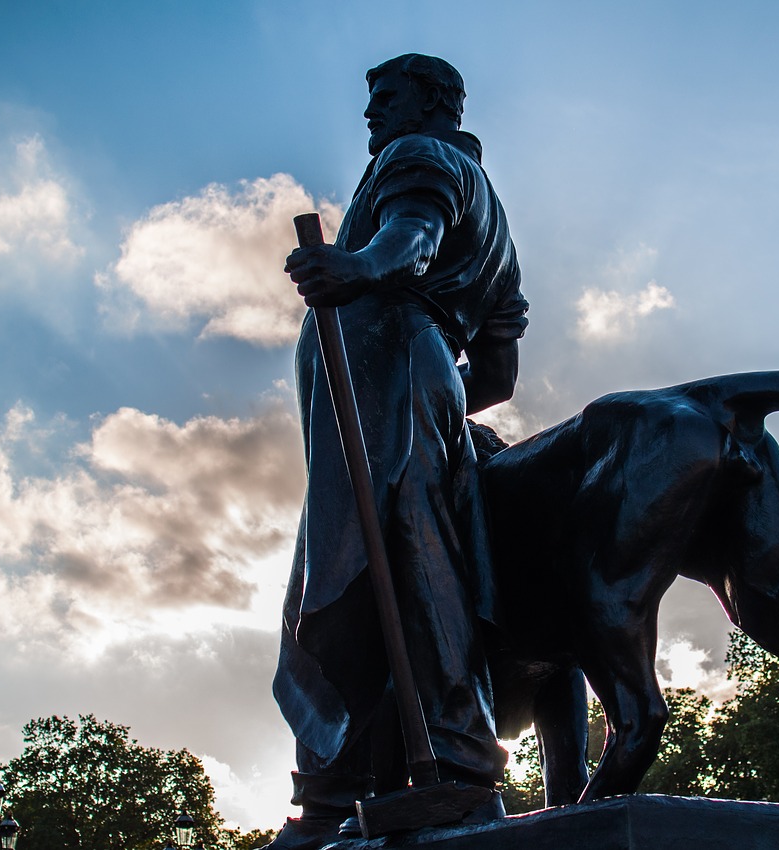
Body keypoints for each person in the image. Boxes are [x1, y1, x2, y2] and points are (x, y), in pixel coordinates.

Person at [269, 54, 528, 850]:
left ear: (436, 106)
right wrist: (437, 400)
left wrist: (357, 268)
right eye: (372, 100)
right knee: (413, 557)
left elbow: (409, 238)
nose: (372, 114)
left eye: (388, 98)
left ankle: (343, 790)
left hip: (390, 367)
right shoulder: (498, 223)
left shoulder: (415, 158)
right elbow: (498, 373)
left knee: (361, 568)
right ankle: (422, 767)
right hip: (420, 380)